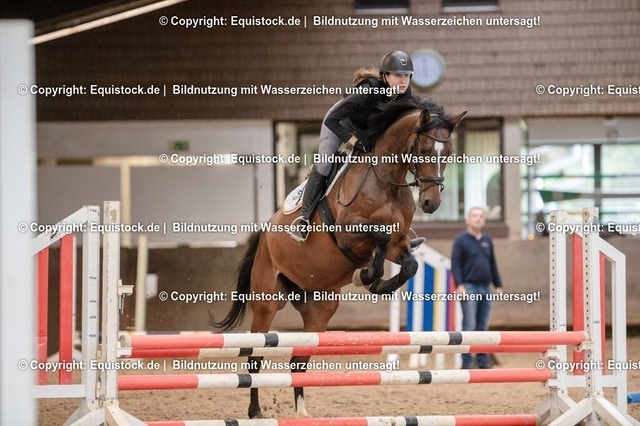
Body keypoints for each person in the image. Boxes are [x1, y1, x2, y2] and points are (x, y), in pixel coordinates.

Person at [290, 50, 424, 248]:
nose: (403, 80)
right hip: (340, 124)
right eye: (398, 75)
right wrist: (356, 142)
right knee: (325, 164)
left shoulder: (405, 93)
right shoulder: (368, 90)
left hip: (366, 129)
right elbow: (333, 120)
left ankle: (400, 231)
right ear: (385, 76)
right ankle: (304, 220)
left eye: (407, 75)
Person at [451, 207, 503, 369]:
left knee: (483, 326)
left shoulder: (488, 240)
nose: (478, 218)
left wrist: (498, 285)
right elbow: (455, 265)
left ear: (484, 220)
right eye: (474, 216)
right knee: (469, 324)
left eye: (481, 216)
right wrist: (459, 285)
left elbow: (492, 263)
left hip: (486, 288)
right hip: (469, 288)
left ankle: (482, 359)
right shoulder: (461, 240)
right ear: (468, 220)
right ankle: (467, 361)